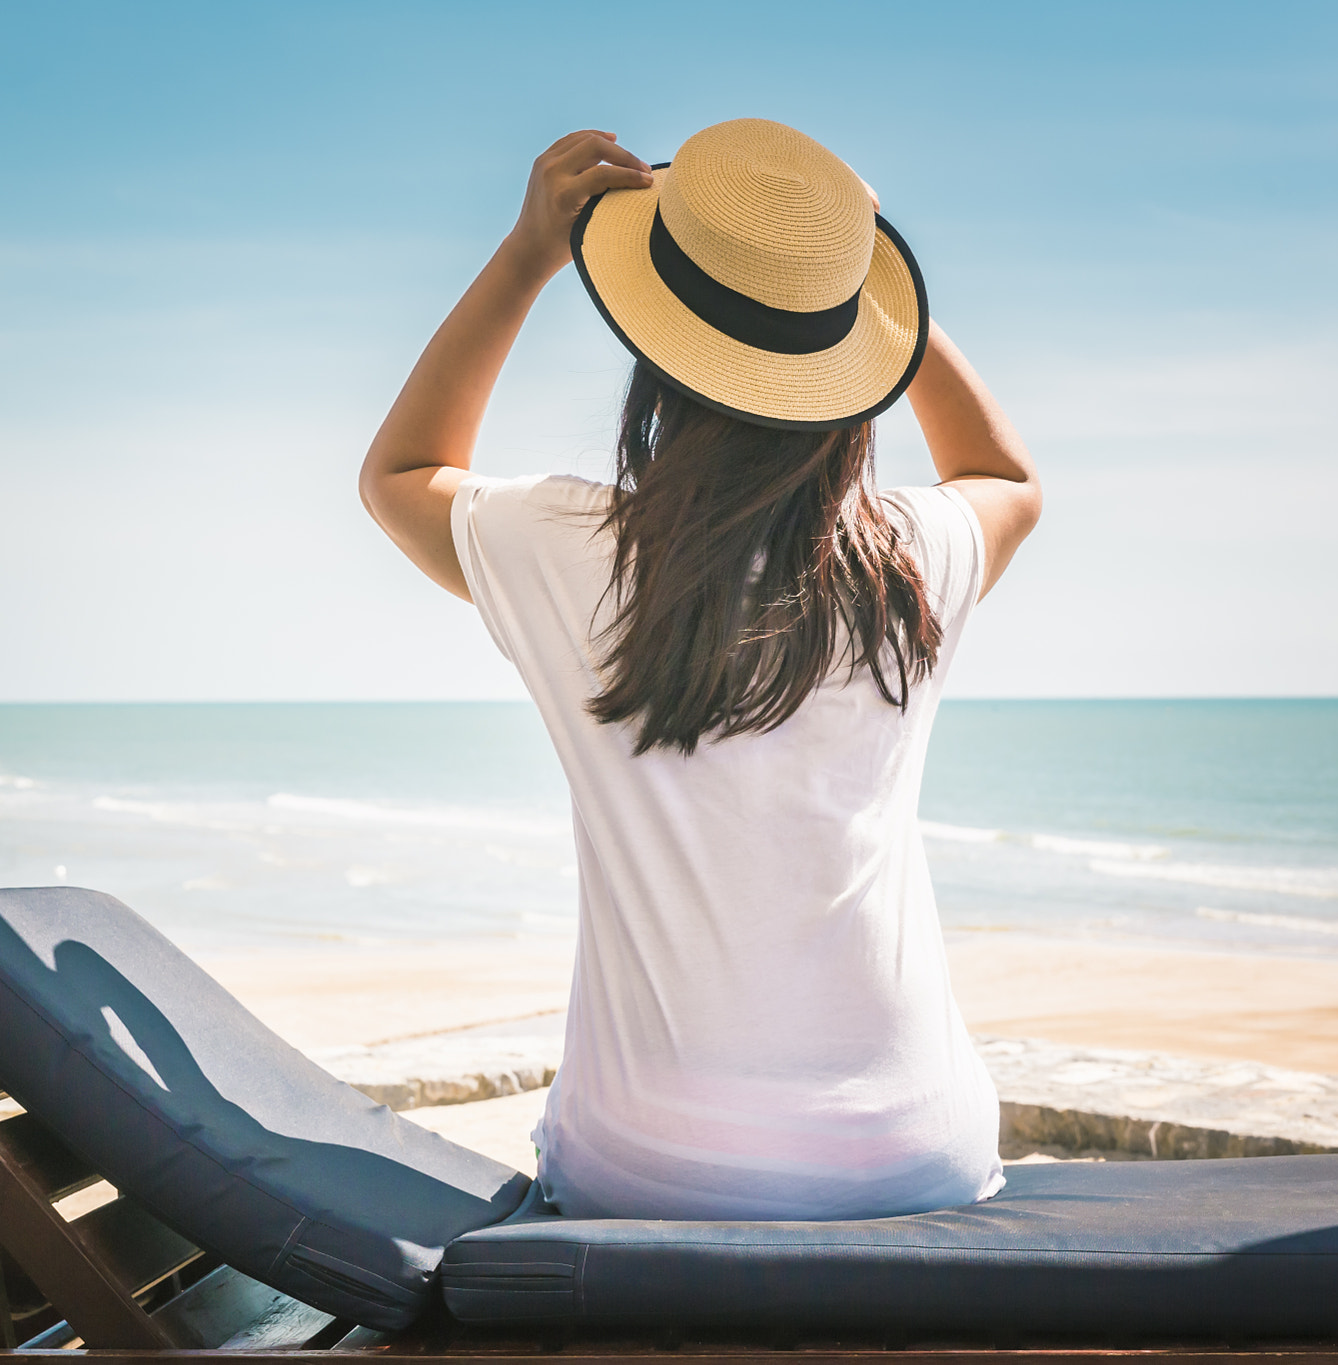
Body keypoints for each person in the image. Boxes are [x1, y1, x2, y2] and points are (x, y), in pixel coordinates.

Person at [358, 119, 1041, 1221]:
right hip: (915, 1161)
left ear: (657, 361)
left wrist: (526, 252)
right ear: (848, 366)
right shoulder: (909, 565)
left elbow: (398, 471)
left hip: (651, 1174)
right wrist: (871, 272)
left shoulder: (566, 546)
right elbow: (1001, 474)